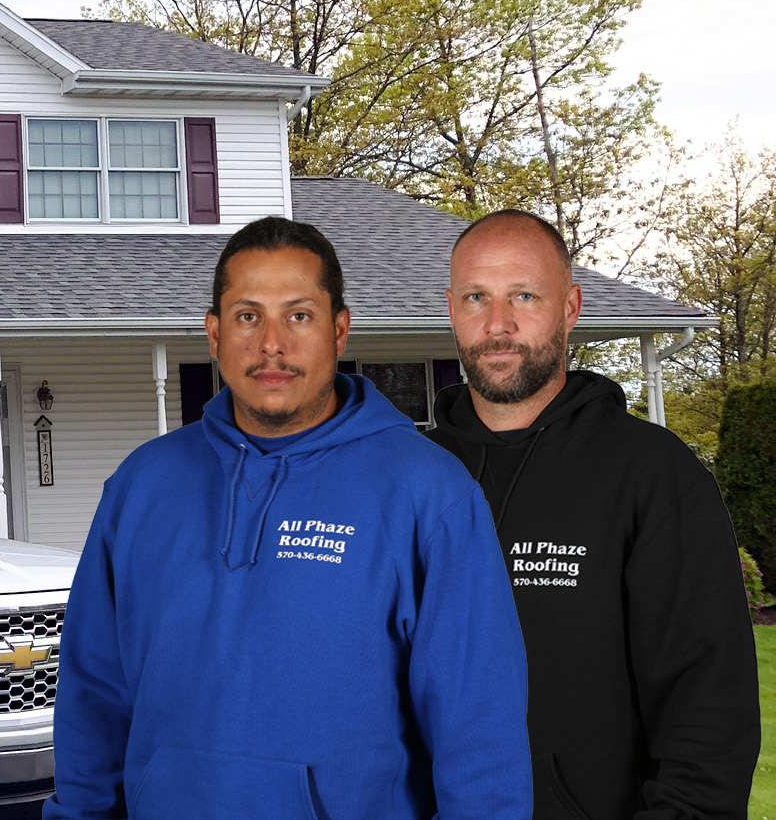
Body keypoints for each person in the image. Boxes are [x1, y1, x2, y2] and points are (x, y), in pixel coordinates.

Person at [47, 217, 531, 819]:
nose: (271, 343)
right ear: (214, 332)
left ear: (339, 330)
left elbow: (481, 739)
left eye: (298, 315)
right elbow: (92, 695)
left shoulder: (428, 493)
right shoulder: (141, 486)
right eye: (248, 316)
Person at [426, 209, 757, 819]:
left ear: (571, 307)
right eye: (476, 297)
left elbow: (708, 710)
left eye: (524, 295)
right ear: (451, 308)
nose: (498, 324)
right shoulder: (410, 477)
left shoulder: (652, 474)